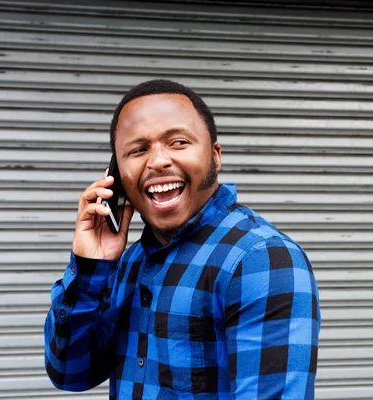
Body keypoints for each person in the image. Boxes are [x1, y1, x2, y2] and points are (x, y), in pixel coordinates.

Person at [44, 79, 321, 399]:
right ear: (117, 175)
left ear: (215, 157)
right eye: (138, 149)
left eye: (178, 142)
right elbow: (69, 373)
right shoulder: (128, 263)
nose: (158, 161)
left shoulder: (261, 260)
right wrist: (90, 268)